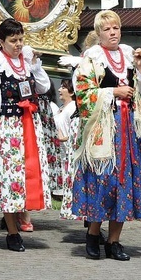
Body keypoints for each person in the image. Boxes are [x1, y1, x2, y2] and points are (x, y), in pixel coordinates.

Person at [72, 10, 141, 261]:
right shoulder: (92, 58)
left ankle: (114, 241)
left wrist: (140, 69)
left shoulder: (129, 55)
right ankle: (93, 234)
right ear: (98, 34)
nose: (113, 33)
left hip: (127, 127)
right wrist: (113, 92)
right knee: (102, 181)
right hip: (103, 128)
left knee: (123, 182)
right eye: (107, 29)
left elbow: (140, 93)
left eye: (116, 28)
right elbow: (83, 95)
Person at [0, 18, 52, 252]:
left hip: (28, 125)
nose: (18, 44)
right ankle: (11, 231)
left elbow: (43, 87)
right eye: (13, 40)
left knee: (24, 176)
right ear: (1, 41)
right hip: (7, 127)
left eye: (20, 39)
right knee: (8, 178)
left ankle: (18, 218)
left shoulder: (27, 62)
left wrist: (37, 64)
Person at [55, 78, 80, 220]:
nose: (60, 90)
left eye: (63, 87)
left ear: (71, 92)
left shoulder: (72, 108)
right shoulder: (62, 108)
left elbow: (73, 134)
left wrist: (59, 137)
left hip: (67, 151)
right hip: (60, 152)